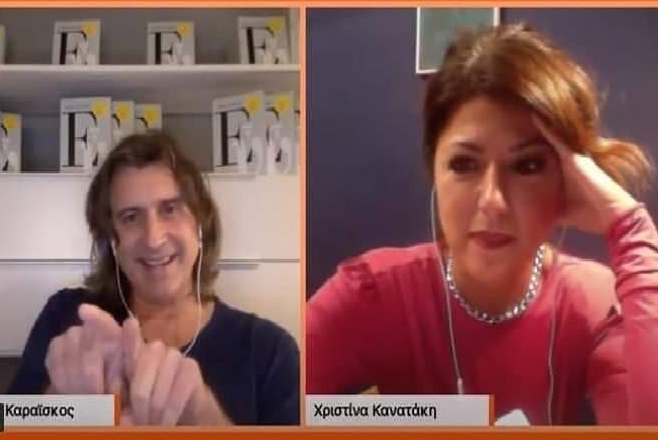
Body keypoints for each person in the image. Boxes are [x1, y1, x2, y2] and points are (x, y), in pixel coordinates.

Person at [306, 23, 658, 425]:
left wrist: (631, 230)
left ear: (565, 178)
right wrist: (395, 418)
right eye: (464, 164)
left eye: (527, 166)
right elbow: (270, 406)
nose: (492, 201)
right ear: (434, 171)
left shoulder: (590, 305)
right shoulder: (372, 294)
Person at [9, 131, 300, 426]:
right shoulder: (65, 316)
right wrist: (59, 401)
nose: (153, 238)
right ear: (112, 241)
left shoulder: (269, 351)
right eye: (131, 217)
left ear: (200, 224)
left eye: (170, 209)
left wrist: (205, 419)